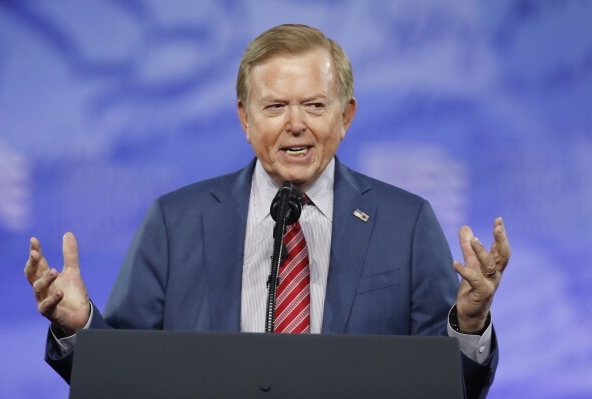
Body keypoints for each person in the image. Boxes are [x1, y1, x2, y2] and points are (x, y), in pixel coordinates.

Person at [25, 24, 511, 399]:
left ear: (346, 118)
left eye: (315, 106)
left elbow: (451, 386)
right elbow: (123, 376)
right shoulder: (175, 222)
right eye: (276, 106)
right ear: (245, 118)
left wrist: (468, 325)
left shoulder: (406, 223)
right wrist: (79, 325)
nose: (295, 124)